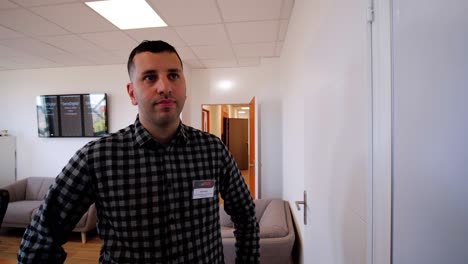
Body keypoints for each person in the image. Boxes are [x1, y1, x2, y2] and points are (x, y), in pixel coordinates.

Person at [17, 40, 260, 263]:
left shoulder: (212, 149)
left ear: (184, 86)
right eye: (150, 77)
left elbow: (246, 216)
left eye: (173, 75)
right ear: (132, 93)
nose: (164, 87)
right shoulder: (97, 157)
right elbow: (40, 239)